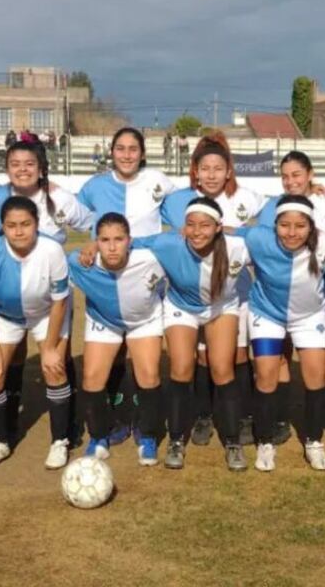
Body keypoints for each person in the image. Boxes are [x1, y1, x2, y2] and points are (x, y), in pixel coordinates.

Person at [161, 133, 264, 448]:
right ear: (195, 170)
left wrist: (239, 231)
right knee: (203, 358)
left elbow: (275, 220)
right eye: (204, 169)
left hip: (235, 289)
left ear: (229, 170)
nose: (211, 175)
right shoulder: (177, 199)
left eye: (218, 169)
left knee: (237, 355)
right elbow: (146, 221)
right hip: (192, 288)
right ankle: (204, 415)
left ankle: (242, 417)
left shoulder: (247, 197)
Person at [133, 197, 251, 471]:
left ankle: (233, 442)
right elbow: (129, 242)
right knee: (181, 368)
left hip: (222, 307)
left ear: (219, 227)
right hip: (181, 308)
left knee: (223, 369)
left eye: (205, 225)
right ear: (182, 227)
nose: (197, 231)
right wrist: (92, 247)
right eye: (191, 225)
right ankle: (176, 439)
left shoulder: (237, 247)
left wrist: (239, 230)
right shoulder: (168, 244)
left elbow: (268, 239)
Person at [77, 127, 175, 444]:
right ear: (112, 151)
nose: (127, 154)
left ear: (143, 153)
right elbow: (77, 218)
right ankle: (116, 411)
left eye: (133, 149)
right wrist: (93, 244)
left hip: (145, 276)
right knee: (112, 350)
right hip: (109, 273)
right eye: (121, 148)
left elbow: (182, 209)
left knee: (142, 352)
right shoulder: (94, 186)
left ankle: (141, 413)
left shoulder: (158, 181)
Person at [238, 195, 325, 472]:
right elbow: (230, 231)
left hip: (309, 317)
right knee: (266, 374)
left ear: (311, 227)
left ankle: (314, 441)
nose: (292, 233)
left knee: (314, 376)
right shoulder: (259, 238)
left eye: (300, 226)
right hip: (267, 314)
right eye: (284, 225)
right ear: (274, 225)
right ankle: (265, 441)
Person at [0, 196, 72, 469]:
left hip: (46, 314)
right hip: (5, 317)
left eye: (25, 224)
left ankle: (59, 441)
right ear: (2, 226)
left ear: (37, 224)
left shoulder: (52, 250)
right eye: (11, 225)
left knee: (54, 368)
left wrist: (50, 347)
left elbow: (60, 301)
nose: (18, 231)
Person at [257, 150, 325, 445]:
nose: (290, 181)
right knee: (280, 355)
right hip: (280, 294)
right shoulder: (272, 207)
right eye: (285, 176)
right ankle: (280, 418)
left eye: (296, 175)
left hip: (318, 294)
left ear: (310, 174)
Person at [68, 213, 167, 466]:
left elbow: (170, 242)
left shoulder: (150, 258)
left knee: (148, 375)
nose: (112, 247)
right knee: (92, 378)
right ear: (96, 242)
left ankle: (147, 436)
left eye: (119, 239)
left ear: (130, 241)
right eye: (104, 240)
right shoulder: (80, 264)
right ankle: (99, 437)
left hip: (144, 321)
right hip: (103, 321)